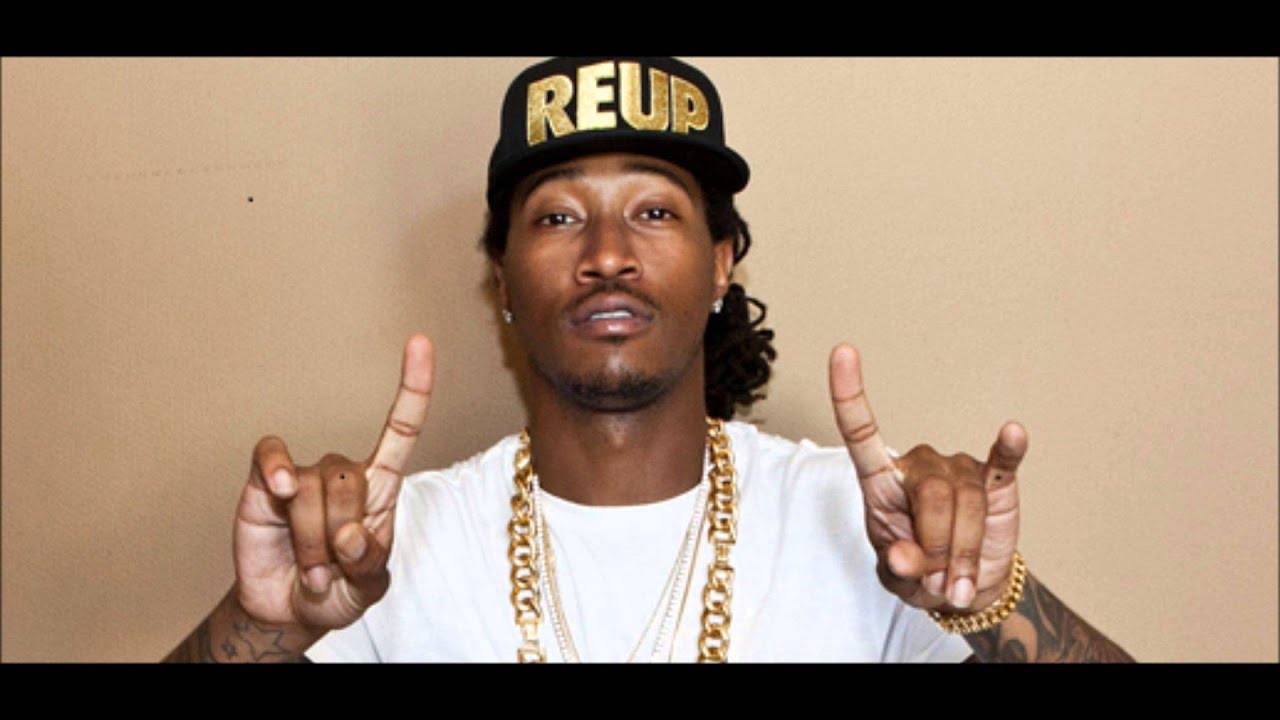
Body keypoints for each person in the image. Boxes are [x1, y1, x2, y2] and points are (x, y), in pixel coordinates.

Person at [164, 57, 1134, 663]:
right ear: (503, 279)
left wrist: (991, 602)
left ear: (720, 264)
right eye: (557, 217)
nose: (607, 254)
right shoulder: (379, 549)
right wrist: (269, 632)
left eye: (655, 211)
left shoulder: (871, 529)